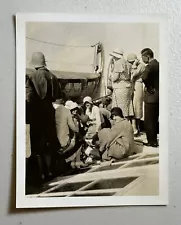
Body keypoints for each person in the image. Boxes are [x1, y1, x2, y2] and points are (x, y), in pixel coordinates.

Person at [26, 52, 61, 184]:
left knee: (38, 147)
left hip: (37, 114)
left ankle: (41, 174)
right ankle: (50, 171)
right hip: (49, 112)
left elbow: (29, 97)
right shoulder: (53, 76)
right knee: (49, 144)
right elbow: (57, 95)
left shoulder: (32, 76)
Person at [141, 48, 159, 147]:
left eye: (142, 57)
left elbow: (144, 78)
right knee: (155, 120)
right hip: (158, 96)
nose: (142, 59)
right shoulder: (158, 64)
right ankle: (155, 140)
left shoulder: (149, 66)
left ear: (147, 56)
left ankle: (151, 141)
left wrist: (149, 87)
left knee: (149, 120)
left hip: (150, 97)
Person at [108, 49, 134, 118]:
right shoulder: (127, 63)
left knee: (119, 108)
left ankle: (121, 124)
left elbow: (114, 78)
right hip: (127, 87)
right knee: (126, 107)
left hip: (120, 88)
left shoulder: (118, 63)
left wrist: (110, 76)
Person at [127, 53, 146, 136]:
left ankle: (137, 127)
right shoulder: (134, 66)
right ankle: (134, 127)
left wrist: (134, 65)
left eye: (131, 62)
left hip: (138, 85)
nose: (130, 64)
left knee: (137, 106)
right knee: (132, 106)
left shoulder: (141, 66)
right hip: (133, 85)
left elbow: (134, 74)